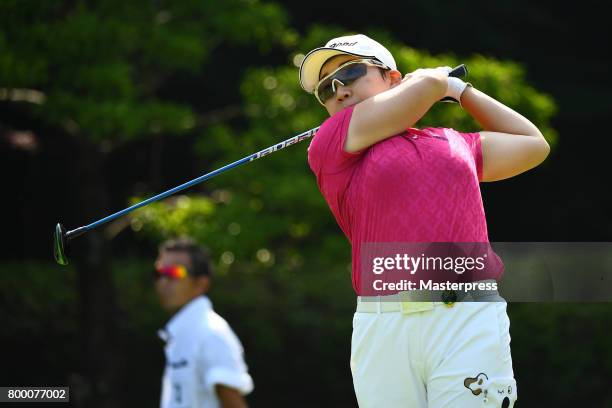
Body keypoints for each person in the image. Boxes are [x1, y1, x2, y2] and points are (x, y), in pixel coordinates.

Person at [299, 34, 550, 407]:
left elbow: (533, 144)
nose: (338, 90)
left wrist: (462, 91)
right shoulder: (330, 145)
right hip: (383, 324)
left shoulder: (455, 143)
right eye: (325, 89)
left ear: (392, 78)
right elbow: (428, 85)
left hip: (466, 317)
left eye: (350, 72)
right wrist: (435, 82)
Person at [154, 238, 253, 408]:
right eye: (160, 273)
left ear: (201, 284)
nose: (164, 281)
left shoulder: (210, 333)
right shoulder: (182, 335)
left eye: (174, 272)